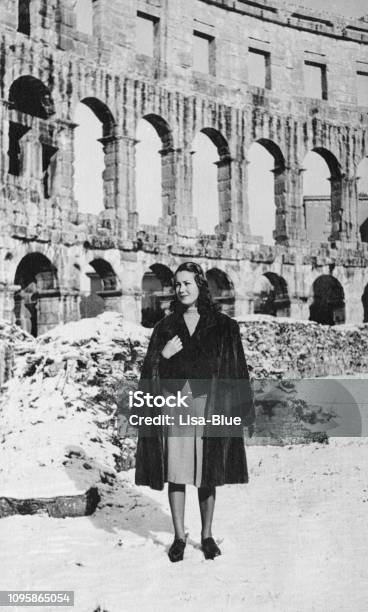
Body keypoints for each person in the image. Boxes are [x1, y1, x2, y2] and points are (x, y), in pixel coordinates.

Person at [135, 262, 254, 562]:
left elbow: (237, 369)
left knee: (207, 472)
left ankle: (207, 535)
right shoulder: (165, 327)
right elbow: (149, 369)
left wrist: (243, 410)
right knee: (176, 471)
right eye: (177, 284)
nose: (182, 289)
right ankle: (178, 536)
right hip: (175, 404)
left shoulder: (225, 326)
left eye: (187, 283)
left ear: (201, 284)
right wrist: (164, 356)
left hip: (209, 405)